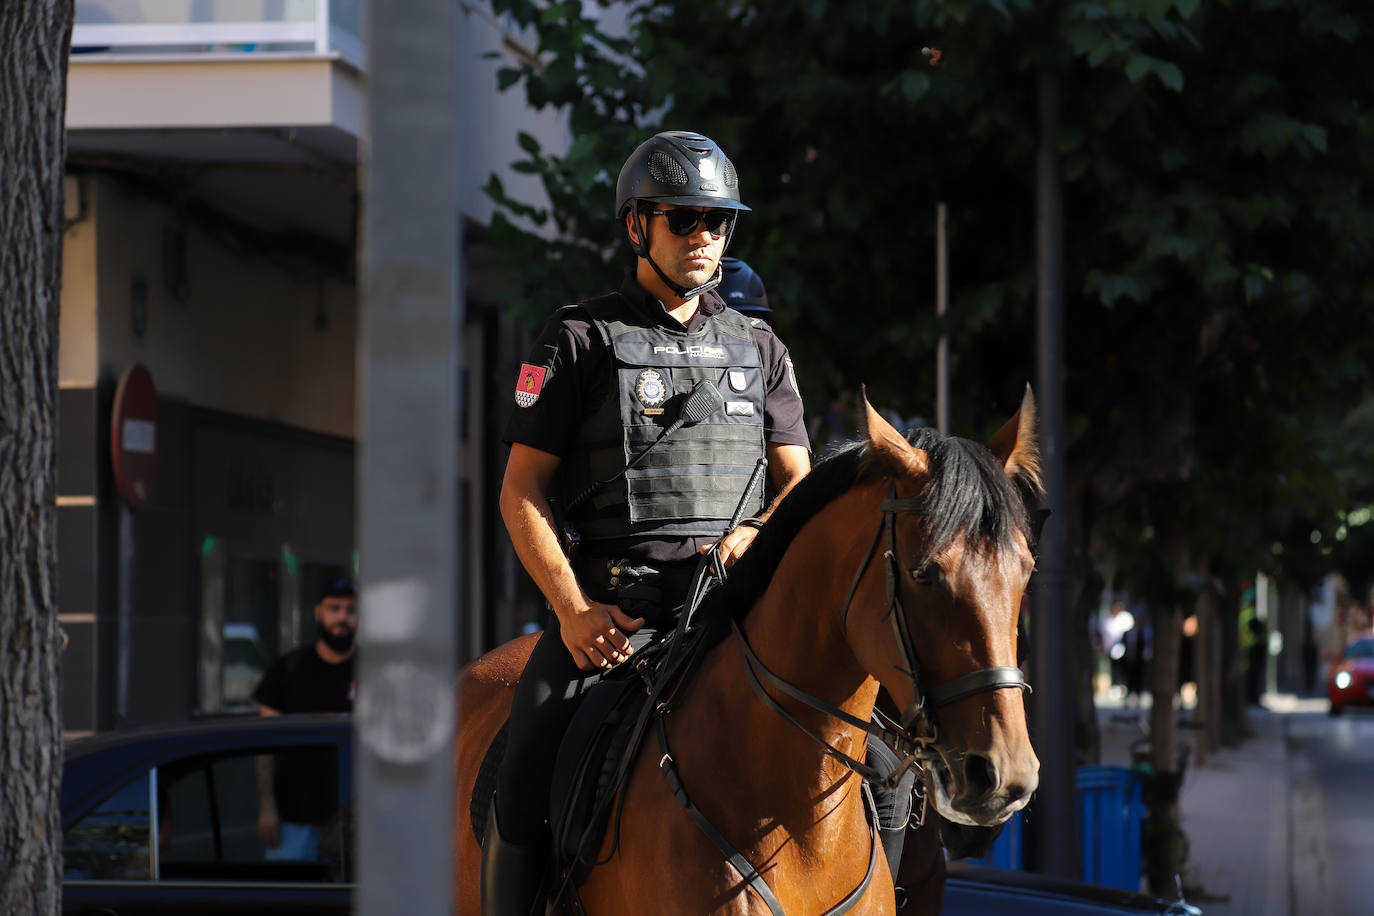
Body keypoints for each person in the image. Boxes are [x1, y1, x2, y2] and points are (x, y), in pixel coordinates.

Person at [484, 130, 811, 916]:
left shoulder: (760, 346)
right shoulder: (577, 338)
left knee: (880, 752)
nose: (703, 236)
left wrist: (759, 532)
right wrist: (572, 612)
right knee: (522, 777)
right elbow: (520, 492)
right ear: (637, 226)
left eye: (718, 221)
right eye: (683, 218)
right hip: (615, 620)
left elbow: (797, 486)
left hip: (735, 615)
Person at [253, 576, 357, 861]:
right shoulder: (288, 670)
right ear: (318, 612)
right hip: (294, 819)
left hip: (355, 820)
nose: (342, 617)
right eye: (334, 608)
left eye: (350, 610)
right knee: (289, 888)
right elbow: (265, 745)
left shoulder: (372, 672)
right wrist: (267, 805)